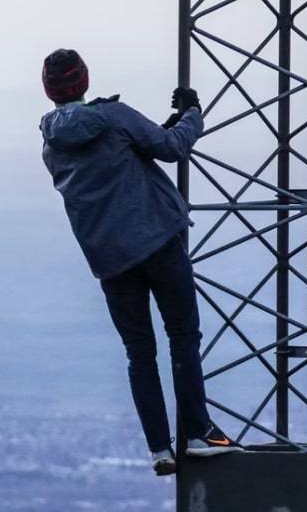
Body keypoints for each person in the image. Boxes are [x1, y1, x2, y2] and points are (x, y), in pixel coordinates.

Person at [38, 48, 243, 476]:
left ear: (49, 91)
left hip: (111, 263)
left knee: (139, 353)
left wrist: (157, 129)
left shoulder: (51, 145)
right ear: (85, 80)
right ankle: (199, 433)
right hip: (158, 243)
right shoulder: (113, 115)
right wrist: (193, 113)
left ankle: (159, 449)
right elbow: (170, 149)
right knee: (183, 336)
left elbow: (115, 162)